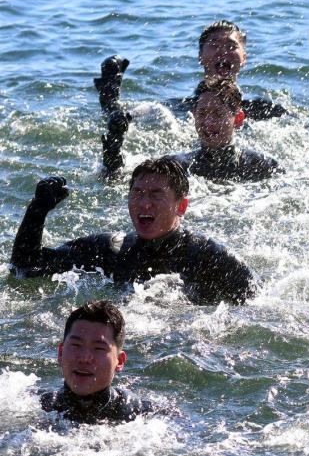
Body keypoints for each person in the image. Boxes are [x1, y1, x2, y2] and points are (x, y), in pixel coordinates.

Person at [10, 157, 256, 305]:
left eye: (156, 195)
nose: (144, 203)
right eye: (137, 193)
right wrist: (36, 212)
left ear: (181, 206)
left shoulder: (206, 257)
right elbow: (26, 268)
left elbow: (258, 302)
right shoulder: (110, 250)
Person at [93, 20, 285, 121]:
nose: (222, 51)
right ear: (200, 57)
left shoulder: (263, 110)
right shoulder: (175, 109)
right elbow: (137, 115)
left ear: (244, 58)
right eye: (214, 44)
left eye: (231, 46)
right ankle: (110, 102)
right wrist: (117, 115)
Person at [102, 78, 281, 183]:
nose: (208, 122)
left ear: (239, 119)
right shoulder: (176, 166)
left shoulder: (262, 166)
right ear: (193, 115)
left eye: (218, 114)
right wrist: (113, 152)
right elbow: (116, 181)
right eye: (202, 113)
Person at [40, 300, 157, 424]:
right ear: (61, 353)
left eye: (99, 348)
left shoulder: (141, 414)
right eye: (76, 345)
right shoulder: (37, 405)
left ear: (120, 361)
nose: (84, 358)